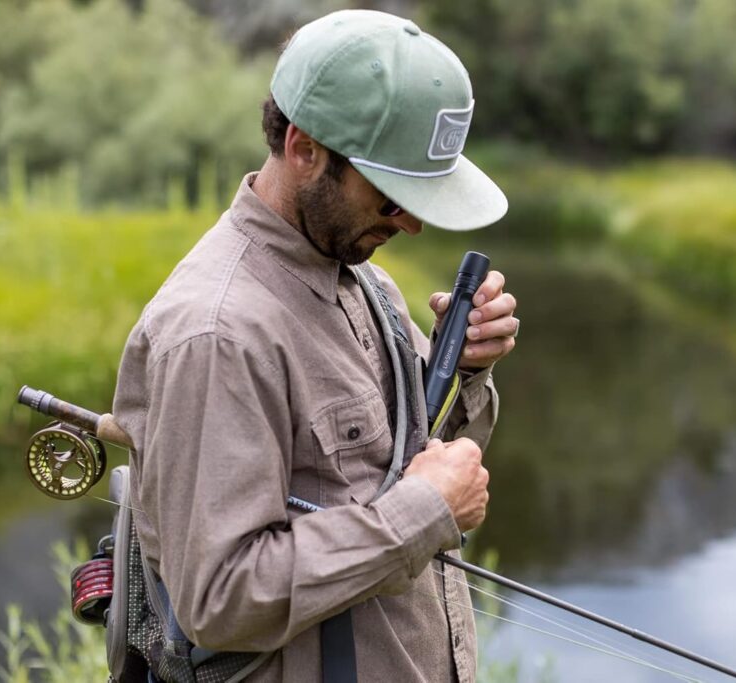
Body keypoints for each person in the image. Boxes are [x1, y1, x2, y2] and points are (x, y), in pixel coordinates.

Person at [111, 9, 518, 683]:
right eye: (390, 196)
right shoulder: (216, 334)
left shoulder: (368, 283)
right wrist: (423, 513)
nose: (412, 223)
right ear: (304, 148)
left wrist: (469, 368)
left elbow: (417, 461)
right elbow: (219, 599)